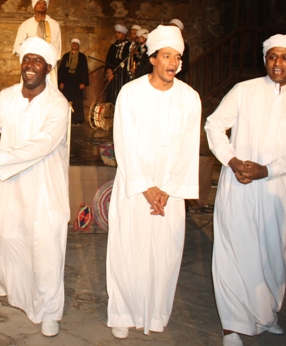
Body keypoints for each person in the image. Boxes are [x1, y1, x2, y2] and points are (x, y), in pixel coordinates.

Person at [205, 34, 286, 346]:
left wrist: (266, 170)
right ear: (265, 59)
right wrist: (232, 161)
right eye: (272, 56)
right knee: (232, 250)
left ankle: (265, 315)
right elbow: (214, 125)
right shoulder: (244, 90)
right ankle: (231, 326)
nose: (277, 63)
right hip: (237, 185)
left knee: (271, 254)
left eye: (285, 57)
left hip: (276, 190)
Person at [0, 37, 70, 338]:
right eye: (26, 59)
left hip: (44, 187)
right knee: (9, 237)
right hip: (10, 185)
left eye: (37, 61)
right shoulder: (7, 97)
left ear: (48, 68)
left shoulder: (57, 103)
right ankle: (13, 288)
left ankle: (49, 310)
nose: (30, 65)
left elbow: (43, 144)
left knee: (45, 247)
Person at [106, 24, 201, 339]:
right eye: (167, 56)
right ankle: (122, 312)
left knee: (164, 253)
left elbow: (188, 149)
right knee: (127, 248)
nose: (173, 63)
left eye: (177, 57)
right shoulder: (131, 93)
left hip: (169, 193)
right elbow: (124, 142)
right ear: (152, 59)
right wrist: (146, 186)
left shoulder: (189, 98)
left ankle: (156, 314)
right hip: (134, 187)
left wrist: (168, 190)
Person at [12, 0, 62, 86]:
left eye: (44, 3)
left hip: (48, 66)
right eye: (39, 3)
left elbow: (56, 47)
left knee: (48, 92)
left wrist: (45, 62)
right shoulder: (25, 25)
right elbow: (17, 46)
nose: (42, 5)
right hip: (30, 66)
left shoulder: (54, 25)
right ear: (34, 6)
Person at [58, 38, 89, 124]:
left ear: (78, 46)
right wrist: (61, 81)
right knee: (66, 99)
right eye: (73, 43)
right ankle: (66, 118)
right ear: (71, 45)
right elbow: (61, 70)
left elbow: (84, 70)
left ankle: (77, 119)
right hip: (67, 81)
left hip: (77, 81)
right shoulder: (66, 56)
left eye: (76, 44)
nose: (74, 45)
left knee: (77, 100)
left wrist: (83, 82)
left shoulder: (82, 57)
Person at [104, 24, 131, 104]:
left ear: (124, 34)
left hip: (123, 75)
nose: (116, 34)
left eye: (119, 33)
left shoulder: (129, 46)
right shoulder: (113, 46)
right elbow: (108, 60)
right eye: (115, 33)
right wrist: (108, 70)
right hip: (113, 75)